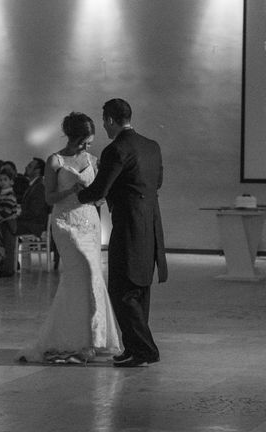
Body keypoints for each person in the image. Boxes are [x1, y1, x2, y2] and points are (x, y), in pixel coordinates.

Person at [18, 112, 121, 364]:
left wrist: (98, 196)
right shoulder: (55, 161)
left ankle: (95, 338)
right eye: (85, 139)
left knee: (94, 275)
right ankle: (73, 338)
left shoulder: (92, 160)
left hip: (89, 221)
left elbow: (99, 195)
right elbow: (49, 198)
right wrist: (71, 190)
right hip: (65, 222)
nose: (88, 144)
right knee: (80, 273)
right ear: (76, 136)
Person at [77, 99, 167, 368]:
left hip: (129, 225)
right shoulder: (151, 146)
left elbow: (99, 190)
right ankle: (133, 348)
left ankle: (145, 351)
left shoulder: (116, 149)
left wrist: (75, 195)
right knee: (139, 289)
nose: (104, 126)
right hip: (150, 223)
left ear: (111, 120)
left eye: (105, 121)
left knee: (122, 290)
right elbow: (157, 181)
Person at [0, 166, 18, 277]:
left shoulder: (10, 195)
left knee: (9, 246)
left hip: (10, 223)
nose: (2, 182)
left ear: (11, 181)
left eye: (5, 180)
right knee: (4, 246)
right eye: (0, 180)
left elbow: (6, 210)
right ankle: (4, 266)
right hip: (3, 223)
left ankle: (9, 270)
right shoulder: (2, 194)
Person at [15, 157, 50, 237]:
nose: (26, 167)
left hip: (34, 225)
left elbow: (35, 211)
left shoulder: (39, 186)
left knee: (8, 227)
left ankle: (9, 249)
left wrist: (18, 216)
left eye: (30, 166)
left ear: (37, 170)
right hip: (30, 223)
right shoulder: (34, 185)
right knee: (5, 226)